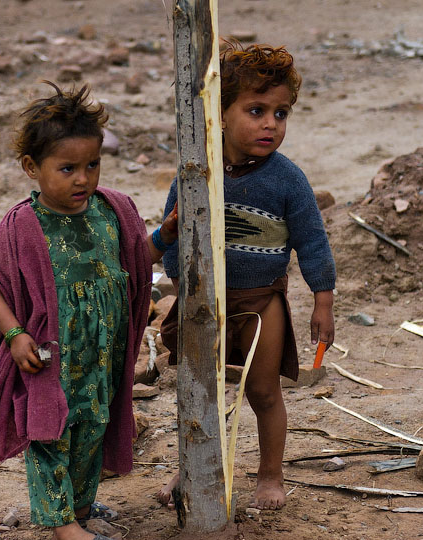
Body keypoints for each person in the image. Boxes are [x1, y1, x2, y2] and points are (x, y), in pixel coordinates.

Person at [0, 81, 177, 540]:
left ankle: (79, 508)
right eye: (67, 169)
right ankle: (62, 529)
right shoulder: (22, 226)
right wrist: (15, 333)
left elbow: (134, 261)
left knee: (91, 425)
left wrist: (162, 237)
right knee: (49, 432)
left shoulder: (111, 210)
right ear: (31, 168)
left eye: (91, 165)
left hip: (102, 351)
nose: (82, 179)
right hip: (48, 353)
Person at [156, 42, 336, 511]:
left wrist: (323, 301)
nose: (270, 124)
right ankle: (193, 467)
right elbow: (175, 239)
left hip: (261, 302)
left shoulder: (286, 180)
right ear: (218, 111)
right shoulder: (197, 172)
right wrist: (181, 283)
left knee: (263, 390)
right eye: (256, 110)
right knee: (201, 389)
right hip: (204, 301)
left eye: (280, 113)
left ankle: (270, 475)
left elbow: (313, 242)